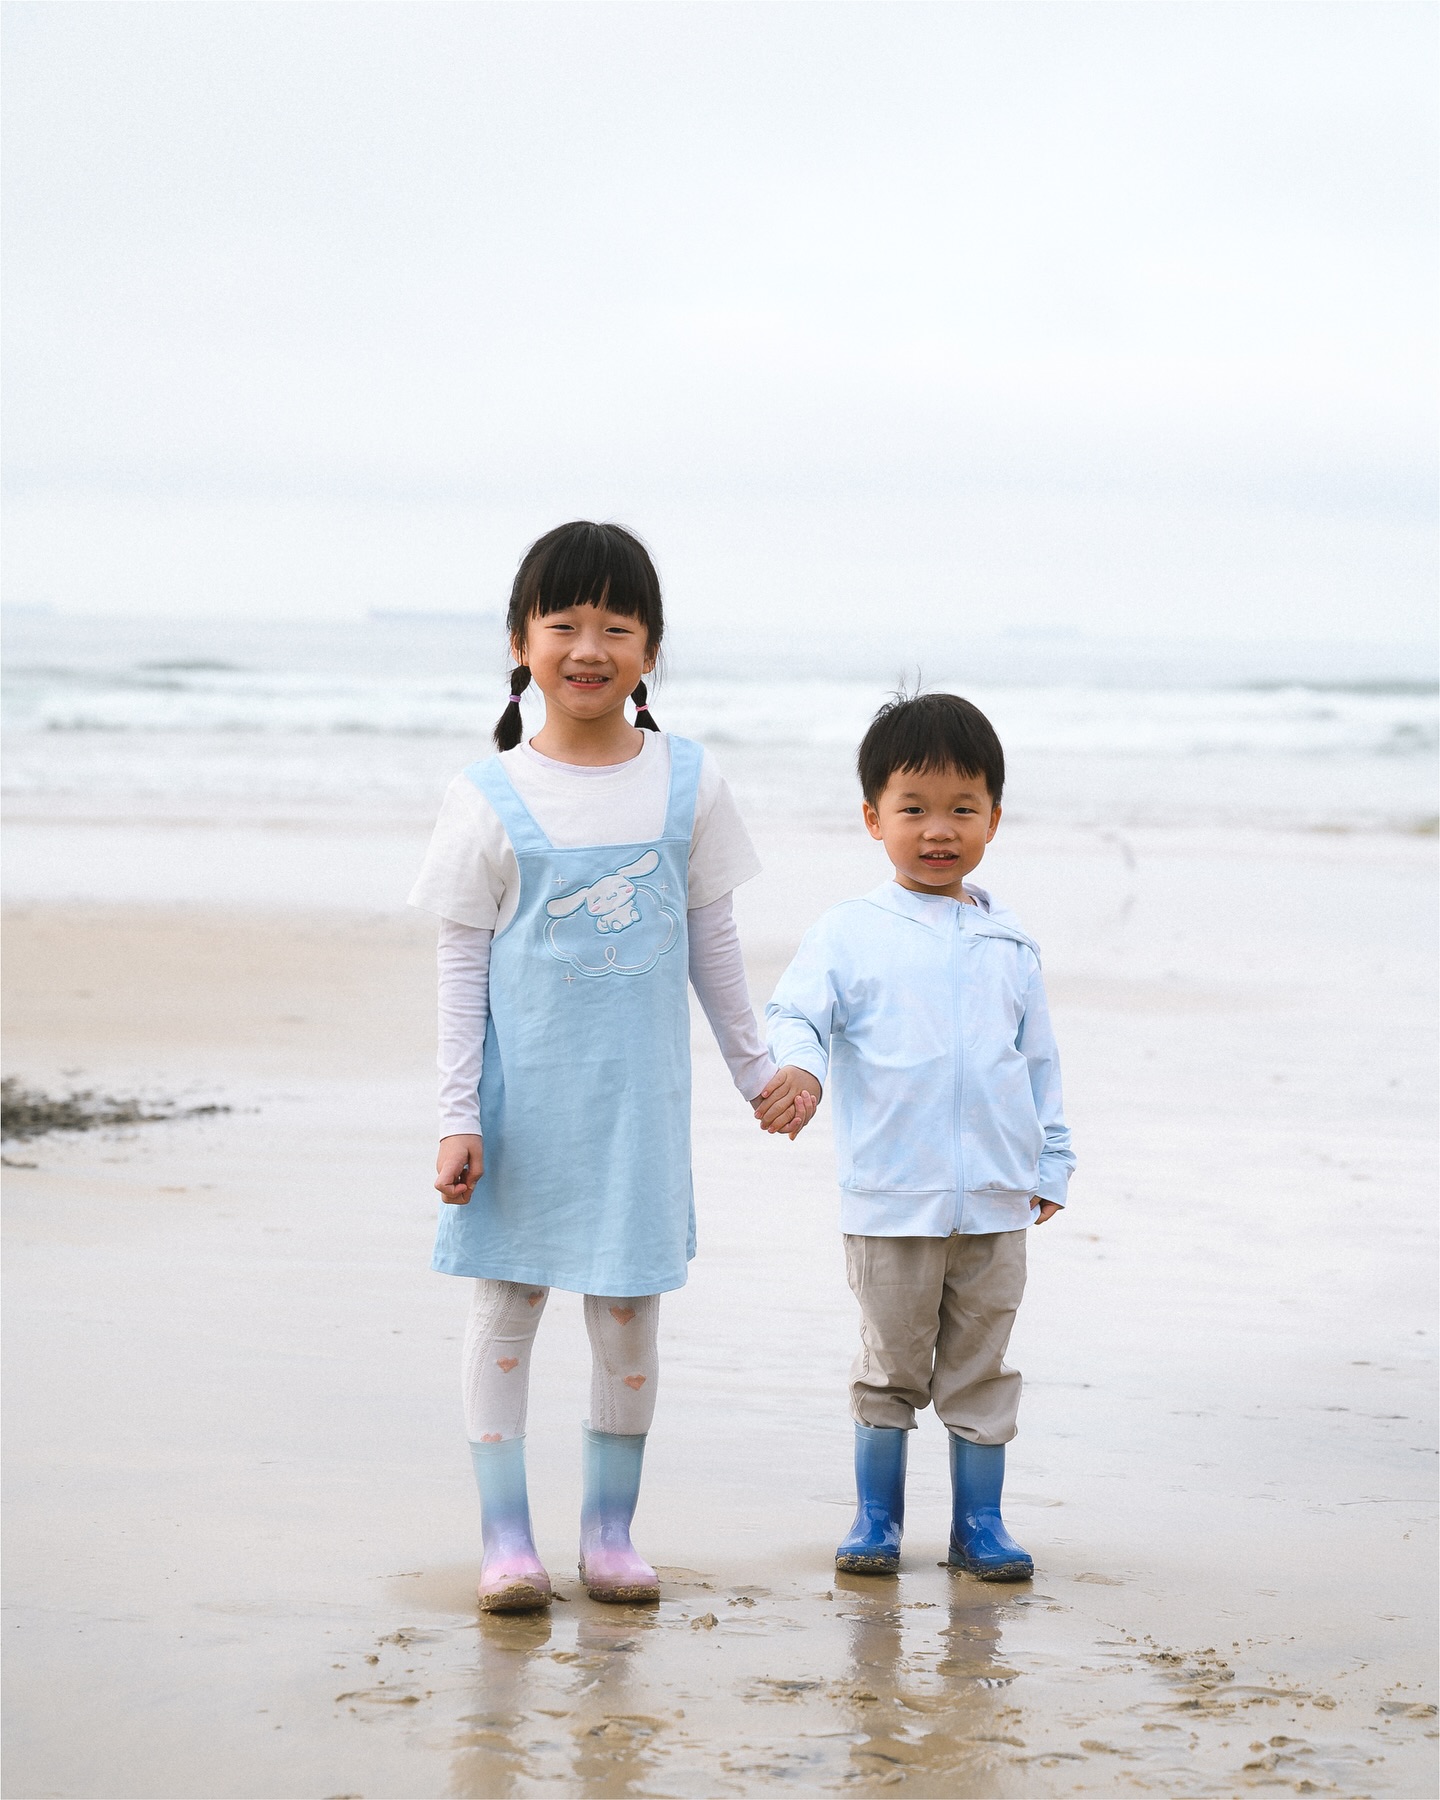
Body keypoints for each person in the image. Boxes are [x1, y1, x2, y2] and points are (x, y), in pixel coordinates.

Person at [409, 520, 799, 1614]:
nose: (590, 648)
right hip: (521, 1113)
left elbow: (713, 943)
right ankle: (505, 1542)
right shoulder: (486, 794)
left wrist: (757, 1070)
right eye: (565, 624)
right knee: (507, 1306)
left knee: (628, 1319)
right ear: (521, 644)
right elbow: (460, 964)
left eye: (618, 627)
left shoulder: (689, 781)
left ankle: (610, 1534)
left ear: (651, 650)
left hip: (638, 1113)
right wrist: (456, 1115)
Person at [760, 692, 1075, 1580]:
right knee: (890, 1368)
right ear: (874, 818)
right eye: (915, 809)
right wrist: (802, 1071)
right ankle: (876, 1521)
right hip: (891, 1198)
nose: (939, 830)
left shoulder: (1010, 944)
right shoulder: (849, 932)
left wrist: (1052, 1158)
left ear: (993, 819)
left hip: (997, 1201)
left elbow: (1038, 1063)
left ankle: (980, 1524)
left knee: (981, 1369)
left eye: (962, 809)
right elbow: (794, 1014)